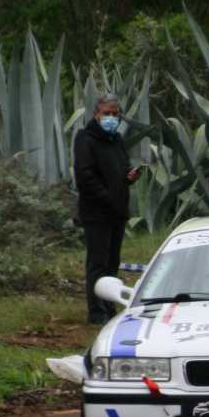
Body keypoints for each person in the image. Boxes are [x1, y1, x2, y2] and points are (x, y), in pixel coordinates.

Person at [73, 93, 140, 325]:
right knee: (98, 262)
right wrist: (107, 197)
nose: (111, 118)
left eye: (115, 114)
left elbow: (122, 168)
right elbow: (84, 175)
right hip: (96, 212)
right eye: (106, 113)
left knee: (112, 262)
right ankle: (96, 311)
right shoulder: (85, 139)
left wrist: (130, 175)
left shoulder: (117, 140)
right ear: (96, 114)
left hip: (117, 212)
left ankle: (109, 306)